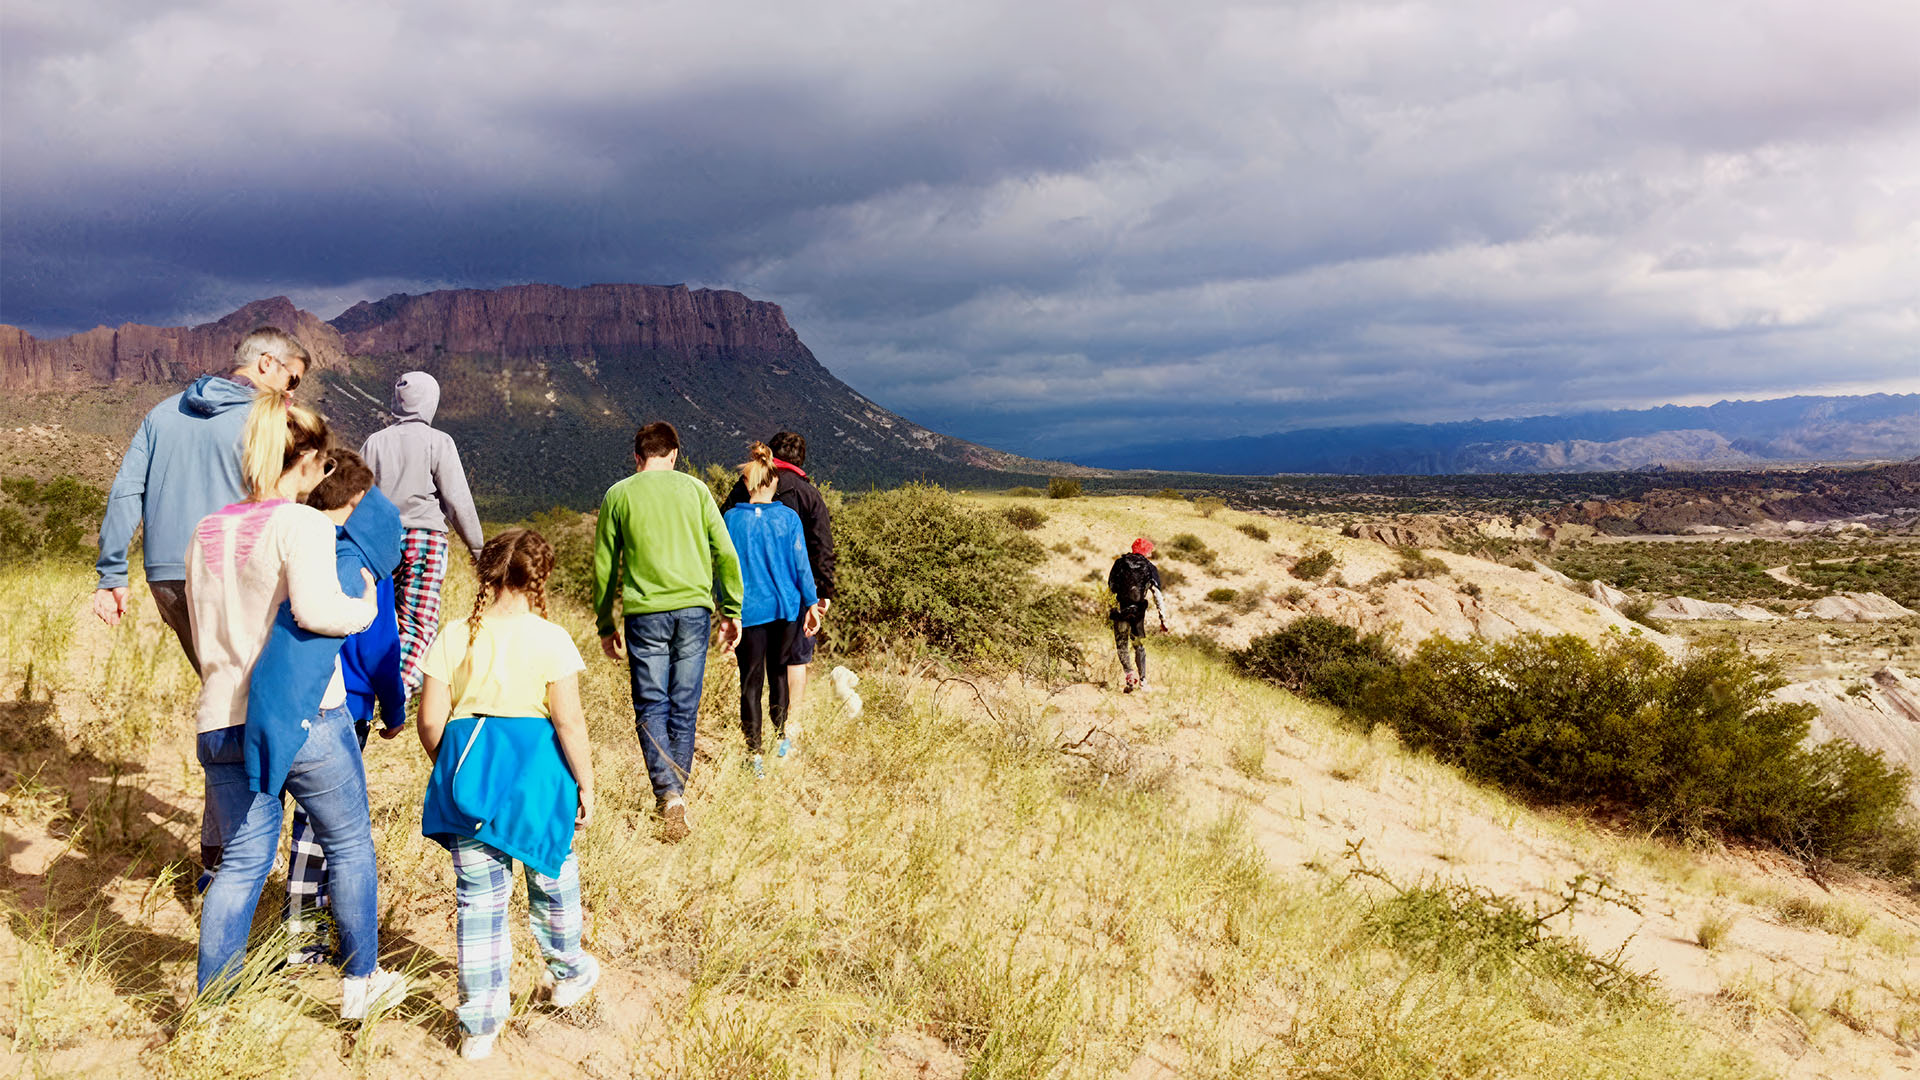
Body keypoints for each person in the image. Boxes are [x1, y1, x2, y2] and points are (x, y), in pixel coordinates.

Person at [184, 392, 406, 1018]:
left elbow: (203, 634)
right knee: (350, 845)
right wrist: (364, 603)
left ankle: (212, 1009)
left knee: (242, 864)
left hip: (221, 716)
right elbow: (314, 611)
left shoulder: (207, 529)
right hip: (305, 717)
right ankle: (361, 984)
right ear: (306, 460)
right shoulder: (302, 523)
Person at [93, 326, 309, 879]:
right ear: (266, 363)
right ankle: (230, 859)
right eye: (292, 379)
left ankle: (224, 857)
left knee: (224, 694)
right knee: (245, 708)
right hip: (227, 572)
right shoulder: (261, 421)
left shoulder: (163, 413)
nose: (293, 395)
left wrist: (111, 572)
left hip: (165, 574)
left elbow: (126, 490)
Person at [415, 528, 600, 1061]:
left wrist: (456, 768)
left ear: (486, 573)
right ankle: (567, 972)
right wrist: (585, 783)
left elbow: (431, 720)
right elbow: (569, 722)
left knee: (479, 904)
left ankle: (479, 1027)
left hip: (471, 785)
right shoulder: (551, 639)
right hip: (541, 783)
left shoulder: (453, 635)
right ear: (539, 576)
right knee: (554, 877)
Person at [251, 450, 407, 966]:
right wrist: (396, 708)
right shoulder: (367, 574)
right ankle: (315, 938)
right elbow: (383, 648)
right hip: (345, 710)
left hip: (283, 704)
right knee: (332, 832)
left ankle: (300, 928)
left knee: (301, 822)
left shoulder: (302, 556)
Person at [592, 421, 744, 841]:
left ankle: (669, 796)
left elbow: (604, 568)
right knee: (684, 707)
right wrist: (732, 609)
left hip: (645, 615)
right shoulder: (696, 491)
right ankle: (675, 797)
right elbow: (726, 553)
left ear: (636, 456)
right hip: (695, 611)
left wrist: (606, 623)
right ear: (674, 455)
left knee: (651, 707)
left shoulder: (618, 494)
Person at [360, 371, 484, 690]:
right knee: (418, 619)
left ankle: (370, 682)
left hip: (379, 541)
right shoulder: (438, 442)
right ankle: (401, 688)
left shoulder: (374, 442)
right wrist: (478, 550)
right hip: (425, 540)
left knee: (378, 614)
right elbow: (457, 502)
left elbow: (356, 497)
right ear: (432, 401)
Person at [722, 443, 823, 776]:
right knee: (779, 673)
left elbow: (723, 566)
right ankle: (782, 739)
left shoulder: (731, 519)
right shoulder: (788, 518)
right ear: (774, 483)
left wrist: (725, 610)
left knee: (750, 682)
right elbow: (801, 565)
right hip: (786, 609)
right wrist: (811, 603)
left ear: (749, 483)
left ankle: (754, 754)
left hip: (748, 611)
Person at [719, 430, 835, 712]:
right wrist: (822, 591)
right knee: (793, 661)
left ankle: (754, 735)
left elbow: (722, 533)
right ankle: (788, 728)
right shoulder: (809, 493)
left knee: (753, 669)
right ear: (801, 459)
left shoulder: (746, 485)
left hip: (752, 594)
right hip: (794, 594)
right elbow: (822, 545)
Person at [1108, 538, 1169, 693]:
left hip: (1121, 610)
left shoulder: (1119, 563)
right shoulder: (1150, 568)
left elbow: (1112, 587)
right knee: (1138, 645)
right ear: (1146, 551)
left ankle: (1129, 673)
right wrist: (1163, 619)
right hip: (1138, 613)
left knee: (1121, 644)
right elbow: (1157, 595)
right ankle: (1143, 681)